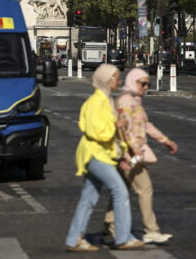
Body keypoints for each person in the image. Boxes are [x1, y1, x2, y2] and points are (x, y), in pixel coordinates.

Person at [65, 63, 143, 252]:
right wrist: (117, 124)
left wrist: (124, 152)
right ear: (107, 80)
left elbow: (112, 134)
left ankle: (74, 239)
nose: (120, 81)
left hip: (102, 154)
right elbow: (95, 131)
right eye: (116, 78)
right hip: (95, 154)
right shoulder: (96, 102)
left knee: (89, 198)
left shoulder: (106, 100)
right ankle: (123, 238)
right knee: (120, 191)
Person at [103, 68, 178, 244]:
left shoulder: (134, 101)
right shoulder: (126, 101)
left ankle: (109, 228)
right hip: (129, 153)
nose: (145, 87)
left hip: (130, 152)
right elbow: (123, 128)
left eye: (147, 84)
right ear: (132, 81)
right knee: (144, 188)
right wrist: (133, 148)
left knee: (120, 190)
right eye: (142, 83)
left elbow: (146, 125)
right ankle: (150, 229)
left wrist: (165, 141)